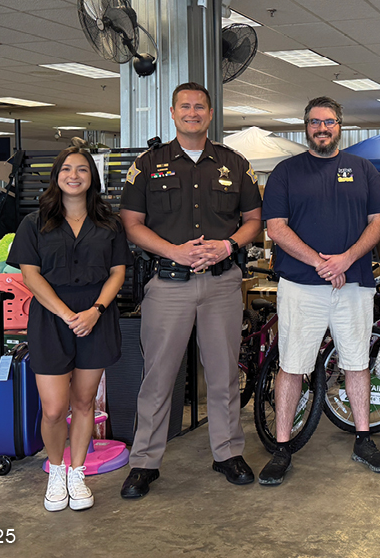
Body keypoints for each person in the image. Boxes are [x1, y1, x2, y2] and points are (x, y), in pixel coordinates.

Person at [118, 82, 263, 498]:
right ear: (172, 111)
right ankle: (145, 462)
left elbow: (254, 219)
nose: (193, 113)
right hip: (168, 284)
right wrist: (175, 252)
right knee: (158, 378)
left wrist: (228, 244)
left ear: (211, 113)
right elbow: (132, 224)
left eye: (200, 107)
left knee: (223, 376)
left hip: (221, 284)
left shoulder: (235, 164)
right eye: (185, 106)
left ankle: (228, 453)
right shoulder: (149, 164)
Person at [258, 96, 380, 486]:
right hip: (301, 285)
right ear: (306, 127)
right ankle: (282, 446)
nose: (322, 128)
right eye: (315, 122)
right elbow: (276, 227)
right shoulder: (286, 172)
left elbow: (379, 222)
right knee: (292, 365)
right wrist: (321, 262)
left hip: (353, 284)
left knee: (356, 361)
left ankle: (363, 438)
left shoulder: (363, 169)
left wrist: (346, 260)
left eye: (329, 122)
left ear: (340, 126)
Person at [7, 147, 133, 511]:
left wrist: (95, 310)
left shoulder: (109, 224)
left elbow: (118, 273)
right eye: (66, 169)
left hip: (96, 319)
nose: (74, 175)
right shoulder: (34, 223)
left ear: (92, 176)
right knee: (52, 408)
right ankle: (56, 471)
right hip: (50, 320)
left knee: (83, 403)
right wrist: (65, 313)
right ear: (56, 176)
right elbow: (29, 275)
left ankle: (77, 473)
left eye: (81, 169)